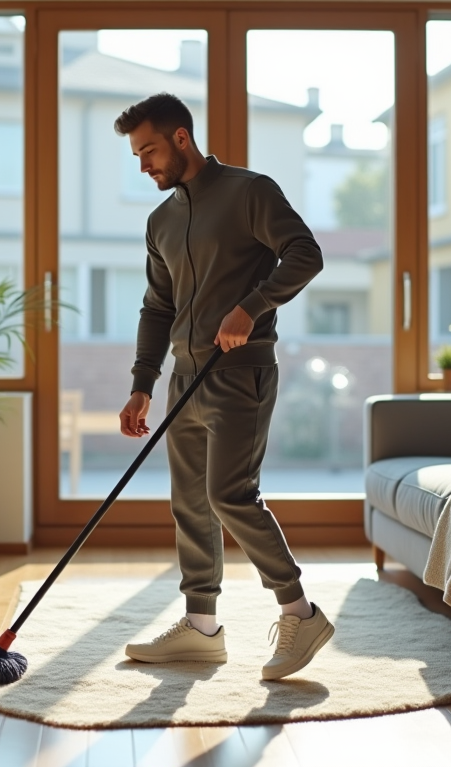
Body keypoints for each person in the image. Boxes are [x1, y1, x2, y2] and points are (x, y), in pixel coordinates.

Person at [114, 92, 333, 680]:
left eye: (150, 150)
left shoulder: (248, 192)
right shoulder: (161, 220)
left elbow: (304, 253)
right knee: (189, 502)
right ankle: (202, 628)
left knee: (230, 495)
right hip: (183, 378)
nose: (144, 166)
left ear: (181, 138)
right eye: (137, 155)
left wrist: (251, 308)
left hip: (241, 373)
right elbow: (157, 307)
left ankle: (301, 612)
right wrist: (142, 384)